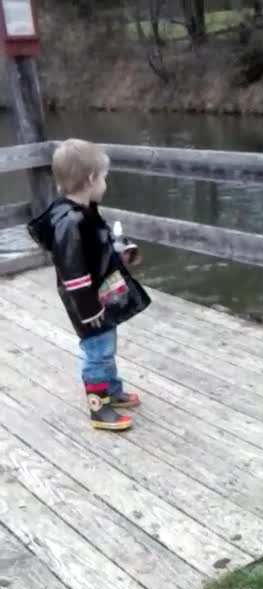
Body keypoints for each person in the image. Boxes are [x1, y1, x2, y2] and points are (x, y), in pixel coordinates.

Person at [28, 138, 151, 431]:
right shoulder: (69, 222)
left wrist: (121, 250)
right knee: (97, 351)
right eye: (105, 177)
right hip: (87, 302)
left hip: (99, 296)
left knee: (106, 344)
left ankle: (112, 390)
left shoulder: (86, 210)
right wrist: (89, 309)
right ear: (92, 178)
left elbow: (99, 244)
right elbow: (73, 273)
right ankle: (99, 409)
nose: (106, 184)